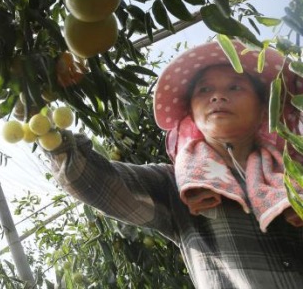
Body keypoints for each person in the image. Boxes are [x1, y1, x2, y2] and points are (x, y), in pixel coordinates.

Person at [44, 40, 303, 288]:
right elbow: (90, 179)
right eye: (204, 90)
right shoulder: (181, 186)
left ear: (262, 107)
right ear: (191, 113)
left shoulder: (295, 172)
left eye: (235, 87)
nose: (218, 96)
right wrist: (48, 128)